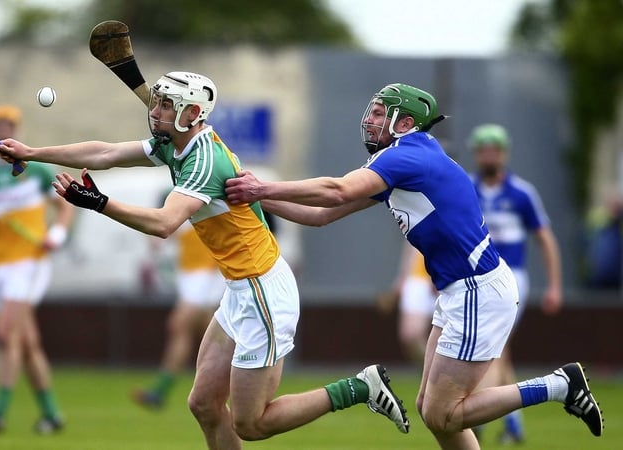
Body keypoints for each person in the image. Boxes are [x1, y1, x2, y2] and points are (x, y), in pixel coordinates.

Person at [0, 71, 409, 449]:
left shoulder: (203, 161)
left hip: (263, 291)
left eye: (165, 105)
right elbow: (105, 152)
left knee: (252, 424)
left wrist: (99, 202)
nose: (154, 111)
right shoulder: (175, 144)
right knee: (205, 405)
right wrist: (33, 152)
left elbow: (164, 223)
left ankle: (359, 388)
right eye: (157, 103)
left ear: (192, 114)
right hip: (239, 288)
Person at [224, 83, 604, 449]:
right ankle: (559, 386)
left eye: (379, 113)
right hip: (461, 290)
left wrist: (262, 188)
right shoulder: (405, 158)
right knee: (432, 410)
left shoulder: (405, 155)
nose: (370, 120)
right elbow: (320, 215)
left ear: (405, 123)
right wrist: (249, 199)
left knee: (444, 414)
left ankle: (559, 385)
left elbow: (337, 191)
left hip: (477, 290)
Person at [0, 104, 75, 434]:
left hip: (30, 262)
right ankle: (51, 415)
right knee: (26, 342)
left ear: (17, 130)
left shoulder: (36, 170)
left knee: (5, 333)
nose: (4, 131)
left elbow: (64, 208)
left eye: (10, 125)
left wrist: (57, 234)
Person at [468, 123, 563, 443]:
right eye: (483, 150)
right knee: (500, 351)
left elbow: (545, 239)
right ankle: (513, 424)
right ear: (476, 154)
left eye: (494, 150)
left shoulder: (522, 193)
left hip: (512, 280)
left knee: (495, 349)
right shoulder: (467, 188)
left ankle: (477, 418)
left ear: (504, 154)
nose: (489, 156)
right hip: (477, 280)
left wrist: (554, 286)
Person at [132, 220, 226, 410]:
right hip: (192, 275)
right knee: (214, 337)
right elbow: (168, 229)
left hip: (206, 274)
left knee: (180, 325)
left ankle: (160, 391)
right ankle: (236, 383)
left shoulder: (204, 204)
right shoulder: (184, 208)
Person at [376, 241, 435, 364]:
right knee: (408, 337)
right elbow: (408, 257)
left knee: (413, 334)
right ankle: (432, 369)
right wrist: (397, 287)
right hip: (414, 281)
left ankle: (437, 370)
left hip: (428, 281)